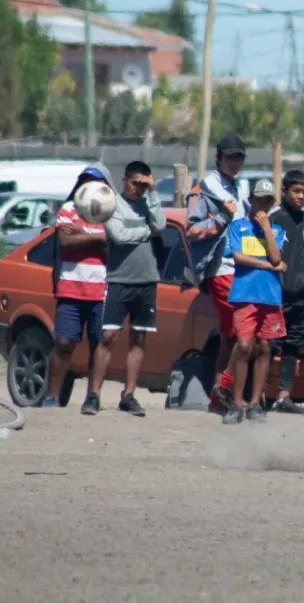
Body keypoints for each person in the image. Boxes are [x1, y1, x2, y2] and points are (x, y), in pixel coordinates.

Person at [82, 161, 166, 417]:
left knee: (139, 338)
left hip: (146, 280)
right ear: (124, 180)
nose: (138, 188)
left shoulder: (148, 202)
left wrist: (152, 193)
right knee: (107, 337)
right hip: (120, 280)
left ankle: (128, 395)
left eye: (143, 184)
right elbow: (118, 235)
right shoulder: (112, 204)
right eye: (135, 183)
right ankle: (93, 394)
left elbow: (160, 226)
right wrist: (145, 230)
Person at [185, 134, 249, 412]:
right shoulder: (206, 188)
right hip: (220, 268)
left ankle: (216, 399)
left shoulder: (238, 188)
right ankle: (228, 392)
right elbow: (192, 230)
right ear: (219, 158)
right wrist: (221, 218)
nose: (235, 162)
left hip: (241, 267)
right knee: (240, 333)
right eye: (230, 157)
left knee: (229, 337)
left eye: (239, 157)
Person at [44, 165, 114, 407]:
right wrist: (98, 237)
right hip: (70, 289)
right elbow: (65, 242)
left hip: (101, 290)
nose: (89, 185)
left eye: (95, 181)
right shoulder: (69, 209)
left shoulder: (111, 212)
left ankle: (92, 397)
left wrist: (82, 233)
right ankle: (52, 396)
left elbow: (113, 244)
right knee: (63, 344)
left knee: (100, 343)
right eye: (85, 180)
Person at [221, 180, 286, 424]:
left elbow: (277, 255)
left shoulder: (277, 230)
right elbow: (239, 257)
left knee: (264, 347)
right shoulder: (238, 226)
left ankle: (256, 402)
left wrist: (267, 229)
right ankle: (237, 402)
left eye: (268, 200)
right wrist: (270, 266)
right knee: (244, 345)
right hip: (245, 294)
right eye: (259, 199)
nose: (263, 204)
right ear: (251, 200)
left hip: (269, 296)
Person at [268, 170, 304, 414]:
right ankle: (256, 396)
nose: (301, 196)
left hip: (302, 293)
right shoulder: (275, 219)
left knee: (292, 344)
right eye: (296, 191)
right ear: (284, 192)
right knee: (269, 344)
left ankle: (283, 396)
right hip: (278, 293)